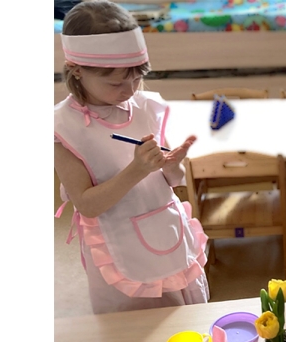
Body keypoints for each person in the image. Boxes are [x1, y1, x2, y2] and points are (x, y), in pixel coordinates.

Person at [54, 0, 209, 314]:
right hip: (119, 245)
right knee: (137, 328)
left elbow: (171, 182)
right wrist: (137, 169)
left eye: (136, 78)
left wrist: (173, 166)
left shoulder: (146, 106)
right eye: (116, 83)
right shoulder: (63, 127)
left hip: (167, 231)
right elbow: (87, 204)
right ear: (77, 70)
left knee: (187, 317)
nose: (129, 90)